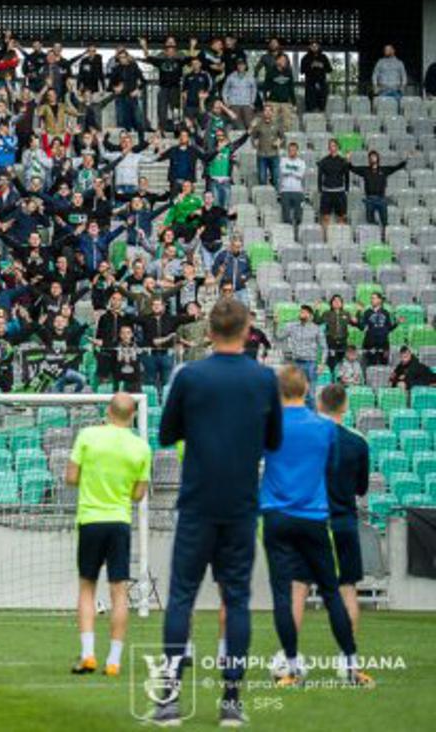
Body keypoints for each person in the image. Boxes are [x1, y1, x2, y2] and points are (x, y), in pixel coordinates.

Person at [152, 299, 282, 726]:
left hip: (197, 503)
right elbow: (274, 441)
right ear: (248, 332)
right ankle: (231, 700)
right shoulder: (264, 380)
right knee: (237, 599)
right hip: (242, 505)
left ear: (208, 332)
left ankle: (169, 698)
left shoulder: (189, 376)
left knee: (181, 597)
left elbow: (167, 433)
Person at [260, 366, 371, 688]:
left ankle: (291, 666)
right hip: (316, 517)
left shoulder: (270, 425)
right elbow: (333, 470)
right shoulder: (324, 430)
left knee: (287, 592)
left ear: (278, 391)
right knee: (335, 592)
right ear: (306, 388)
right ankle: (350, 663)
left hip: (277, 515)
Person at [66, 393, 150, 677]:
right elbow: (139, 494)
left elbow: (71, 477)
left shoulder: (88, 435)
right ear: (133, 415)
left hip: (90, 519)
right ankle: (114, 660)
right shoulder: (141, 447)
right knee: (118, 592)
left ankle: (88, 654)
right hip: (119, 521)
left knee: (87, 587)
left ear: (107, 411)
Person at [293, 384, 370, 637]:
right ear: (345, 407)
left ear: (318, 405)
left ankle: (289, 658)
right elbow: (361, 488)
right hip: (343, 523)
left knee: (298, 588)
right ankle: (349, 662)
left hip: (309, 524)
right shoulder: (358, 443)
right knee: (347, 589)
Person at [281, 304, 326, 406]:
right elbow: (279, 337)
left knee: (310, 395)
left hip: (311, 364)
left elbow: (324, 347)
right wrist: (276, 323)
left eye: (304, 312)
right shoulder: (292, 327)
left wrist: (322, 363)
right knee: (295, 393)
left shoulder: (317, 328)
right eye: (301, 312)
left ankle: (311, 418)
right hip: (296, 363)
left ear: (310, 315)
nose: (302, 314)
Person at [351, 150, 407, 228]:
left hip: (381, 199)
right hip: (370, 199)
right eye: (371, 157)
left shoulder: (384, 170)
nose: (373, 158)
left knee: (385, 221)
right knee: (370, 221)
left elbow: (396, 167)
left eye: (374, 156)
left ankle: (384, 237)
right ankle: (376, 233)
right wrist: (348, 159)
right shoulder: (365, 170)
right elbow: (352, 168)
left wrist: (406, 159)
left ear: (378, 158)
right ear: (369, 159)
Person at [278, 141, 306, 228]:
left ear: (297, 151)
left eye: (294, 150)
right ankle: (287, 234)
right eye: (290, 150)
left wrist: (290, 171)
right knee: (286, 216)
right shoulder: (283, 160)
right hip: (285, 191)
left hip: (298, 191)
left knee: (298, 216)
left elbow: (300, 175)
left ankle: (297, 233)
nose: (292, 152)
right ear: (288, 151)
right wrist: (294, 172)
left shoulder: (301, 162)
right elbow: (283, 171)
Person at [300, 41, 333, 113]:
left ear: (319, 47)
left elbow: (330, 69)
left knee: (322, 103)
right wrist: (311, 66)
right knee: (310, 103)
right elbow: (302, 71)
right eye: (313, 46)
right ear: (309, 47)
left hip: (322, 83)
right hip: (310, 84)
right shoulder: (305, 58)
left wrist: (322, 66)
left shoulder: (323, 57)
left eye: (316, 46)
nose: (314, 48)